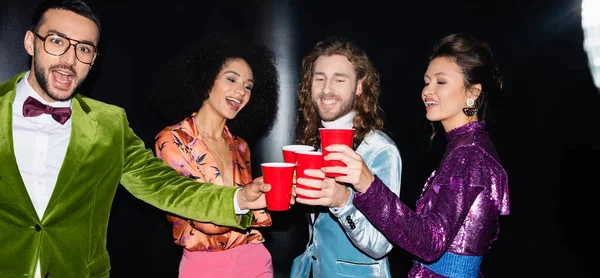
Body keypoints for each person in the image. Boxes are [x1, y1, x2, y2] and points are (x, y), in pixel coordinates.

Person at [0, 1, 278, 277]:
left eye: (83, 48)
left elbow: (168, 188)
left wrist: (239, 198)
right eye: (57, 41)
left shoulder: (110, 124)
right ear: (29, 42)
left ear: (94, 59)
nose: (69, 60)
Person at [300, 33, 511, 277]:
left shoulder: (470, 154)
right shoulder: (465, 146)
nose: (427, 91)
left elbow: (430, 244)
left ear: (472, 93)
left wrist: (367, 183)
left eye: (440, 82)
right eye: (427, 81)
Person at [150, 32, 279, 278]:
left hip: (255, 259)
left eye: (248, 86)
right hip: (204, 266)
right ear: (207, 79)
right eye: (231, 79)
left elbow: (249, 215)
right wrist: (245, 198)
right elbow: (202, 218)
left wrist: (273, 195)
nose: (240, 92)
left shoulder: (241, 146)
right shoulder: (171, 140)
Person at [290, 36, 402, 278]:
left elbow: (381, 245)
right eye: (319, 78)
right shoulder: (311, 143)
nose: (327, 89)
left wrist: (343, 201)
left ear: (359, 86)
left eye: (339, 80)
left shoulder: (379, 150)